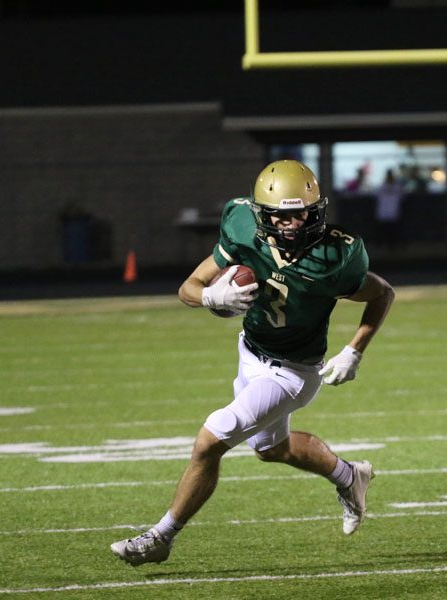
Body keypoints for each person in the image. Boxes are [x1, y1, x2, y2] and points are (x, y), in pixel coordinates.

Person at [111, 159, 395, 566]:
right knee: (271, 449)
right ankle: (351, 477)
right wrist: (210, 297)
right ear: (262, 215)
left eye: (302, 213)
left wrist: (354, 350)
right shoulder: (243, 226)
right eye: (282, 216)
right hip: (250, 352)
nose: (294, 224)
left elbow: (382, 293)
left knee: (211, 440)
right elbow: (188, 287)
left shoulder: (338, 255)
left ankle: (161, 537)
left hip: (293, 371)